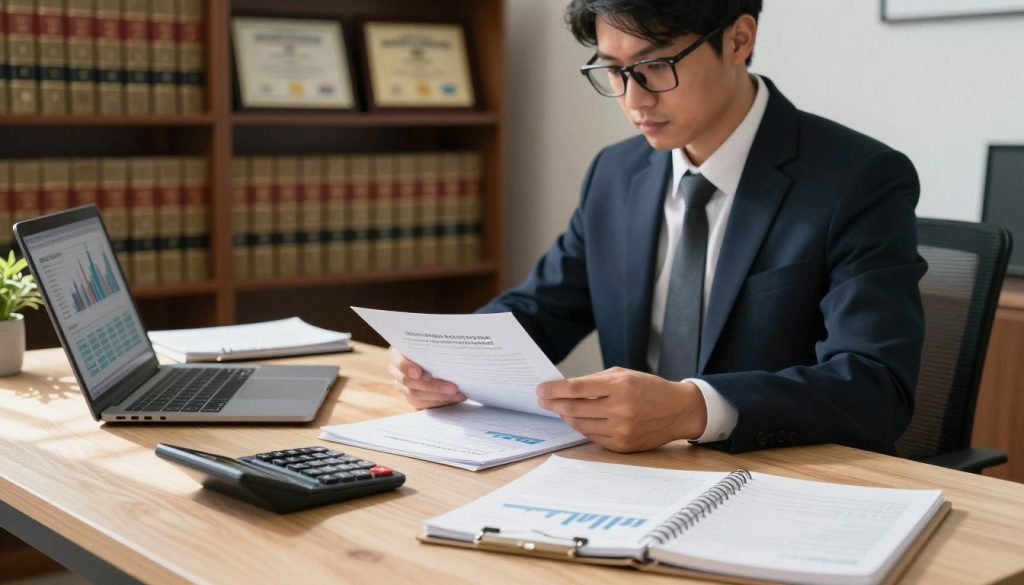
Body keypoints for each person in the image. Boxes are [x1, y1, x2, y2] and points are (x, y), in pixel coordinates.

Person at [388, 0, 926, 455]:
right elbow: (544, 308)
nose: (633, 98)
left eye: (656, 66)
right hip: (629, 477)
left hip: (774, 477)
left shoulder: (857, 178)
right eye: (613, 71)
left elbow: (875, 385)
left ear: (739, 40)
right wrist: (445, 357)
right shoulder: (616, 173)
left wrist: (693, 409)